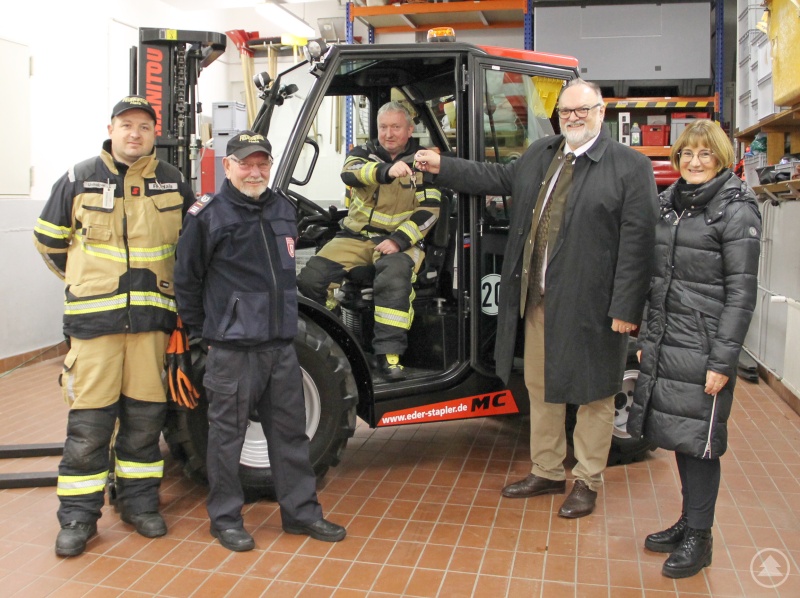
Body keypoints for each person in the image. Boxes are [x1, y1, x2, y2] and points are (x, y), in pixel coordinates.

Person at [414, 79, 658, 518]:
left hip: (595, 309)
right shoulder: (543, 155)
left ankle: (587, 479)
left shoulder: (629, 166)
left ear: (601, 112)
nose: (574, 118)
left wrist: (626, 307)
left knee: (595, 394)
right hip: (540, 300)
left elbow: (640, 243)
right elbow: (496, 176)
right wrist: (441, 165)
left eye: (582, 110)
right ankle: (547, 470)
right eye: (566, 112)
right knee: (541, 388)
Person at [33, 96, 196, 557]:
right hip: (96, 326)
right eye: (126, 125)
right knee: (89, 427)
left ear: (153, 133)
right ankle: (78, 518)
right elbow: (48, 241)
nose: (134, 134)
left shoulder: (173, 181)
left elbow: (191, 245)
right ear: (111, 128)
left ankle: (139, 504)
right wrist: (84, 280)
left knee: (145, 424)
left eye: (144, 127)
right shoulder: (78, 177)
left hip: (152, 326)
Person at [173, 130, 346, 552]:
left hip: (280, 347)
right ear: (228, 166)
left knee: (290, 437)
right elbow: (186, 280)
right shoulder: (207, 215)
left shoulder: (283, 209)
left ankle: (301, 513)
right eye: (245, 163)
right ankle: (226, 518)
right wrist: (205, 334)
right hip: (232, 351)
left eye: (261, 163)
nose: (255, 171)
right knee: (226, 438)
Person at [627, 120, 761, 579]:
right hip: (669, 339)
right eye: (687, 154)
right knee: (682, 436)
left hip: (705, 346)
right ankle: (689, 522)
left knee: (702, 442)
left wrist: (724, 360)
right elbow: (654, 278)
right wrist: (648, 338)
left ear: (721, 158)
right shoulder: (671, 205)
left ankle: (700, 539)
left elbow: (742, 295)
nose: (694, 162)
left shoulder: (736, 211)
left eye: (705, 154)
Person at [296, 101, 442, 380]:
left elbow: (429, 212)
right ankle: (337, 334)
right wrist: (386, 171)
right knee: (310, 279)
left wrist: (399, 241)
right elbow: (350, 173)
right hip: (355, 238)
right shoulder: (363, 154)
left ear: (409, 130)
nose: (388, 133)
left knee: (394, 276)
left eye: (396, 127)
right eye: (383, 127)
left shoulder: (424, 163)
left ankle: (389, 357)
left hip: (401, 242)